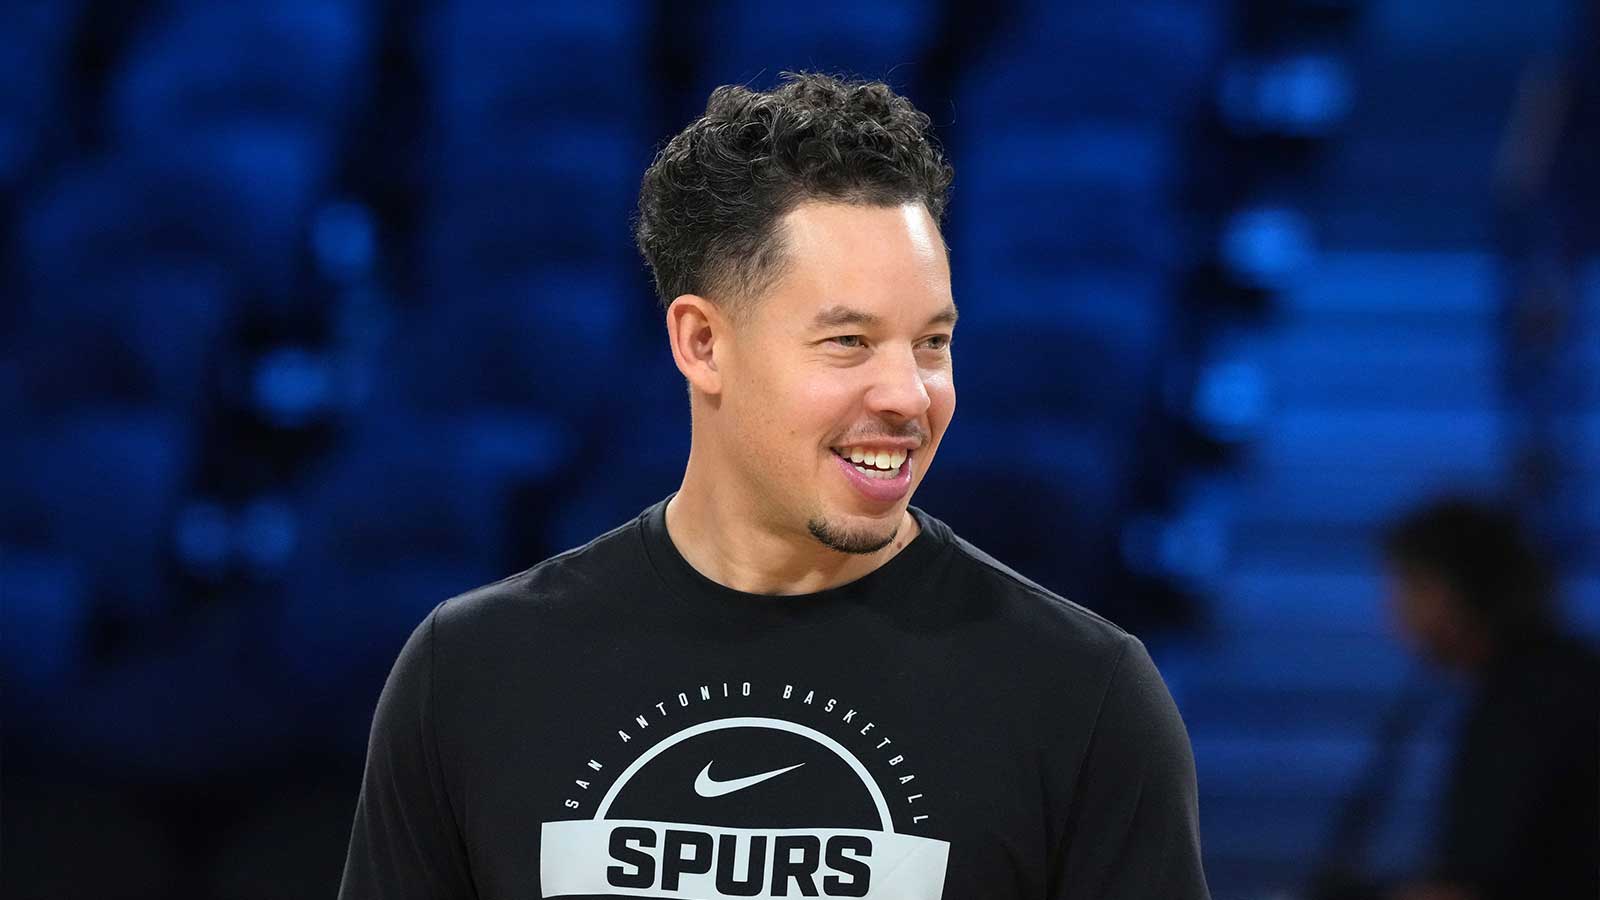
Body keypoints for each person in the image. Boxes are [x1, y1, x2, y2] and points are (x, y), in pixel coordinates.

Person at [338, 71, 1210, 899]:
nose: (909, 395)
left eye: (932, 343)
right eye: (848, 342)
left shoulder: (1082, 697)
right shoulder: (473, 673)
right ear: (702, 344)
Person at [1376, 497, 1598, 900]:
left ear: (1451, 592)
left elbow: (1468, 886)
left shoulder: (1526, 707)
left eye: (1409, 588)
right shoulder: (1559, 678)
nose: (1394, 613)